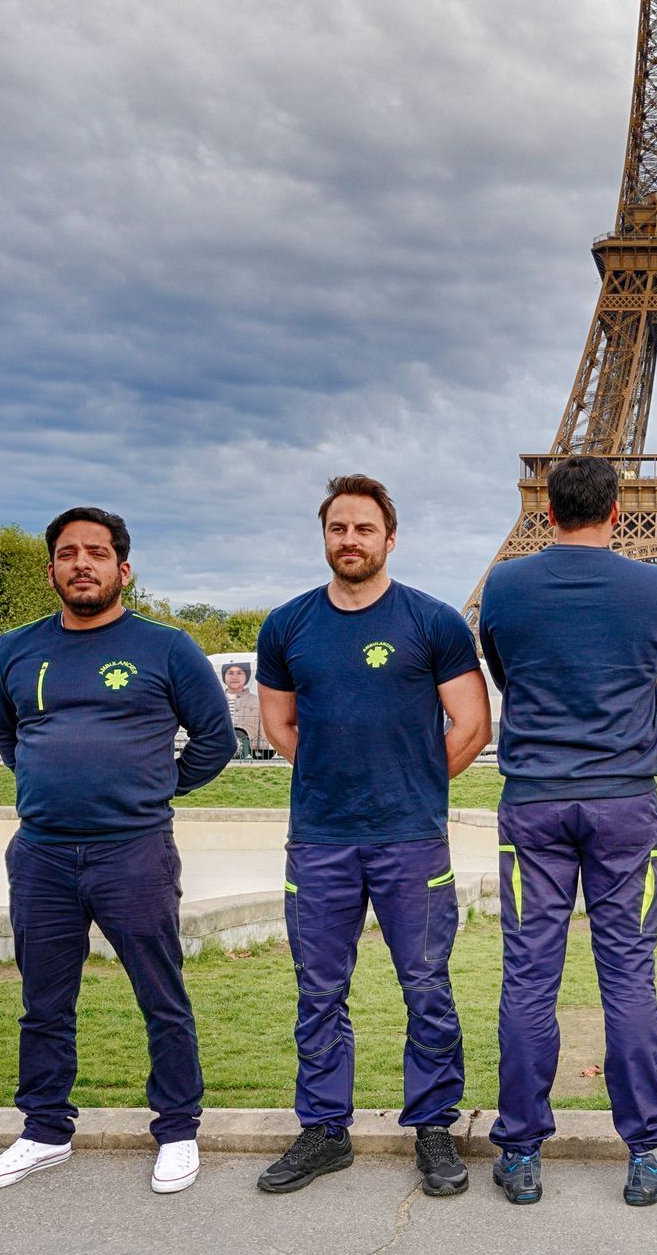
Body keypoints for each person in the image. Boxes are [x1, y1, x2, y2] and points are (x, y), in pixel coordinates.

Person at [0, 507, 235, 1194]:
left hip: (134, 853)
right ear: (51, 569)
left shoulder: (168, 648)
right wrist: (49, 783)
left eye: (96, 552)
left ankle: (177, 1130)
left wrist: (156, 787)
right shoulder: (15, 649)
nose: (80, 563)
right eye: (67, 553)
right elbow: (8, 735)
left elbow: (216, 741)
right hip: (42, 856)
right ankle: (44, 1131)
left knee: (162, 997)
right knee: (43, 1003)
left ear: (124, 568)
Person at [253, 475, 491, 1197]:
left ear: (390, 538)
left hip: (409, 838)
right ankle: (326, 1129)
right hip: (321, 836)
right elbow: (279, 726)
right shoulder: (287, 625)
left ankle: (433, 1126)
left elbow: (473, 726)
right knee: (319, 989)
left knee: (426, 986)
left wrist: (409, 782)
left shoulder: (432, 621)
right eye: (338, 529)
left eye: (363, 529)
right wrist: (339, 777)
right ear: (324, 537)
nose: (349, 540)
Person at [476, 455, 657, 1207]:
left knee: (530, 974)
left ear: (545, 510)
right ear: (618, 511)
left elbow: (505, 672)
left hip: (534, 800)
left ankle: (522, 1148)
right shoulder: (655, 588)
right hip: (623, 804)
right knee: (628, 973)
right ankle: (648, 1147)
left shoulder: (505, 585)